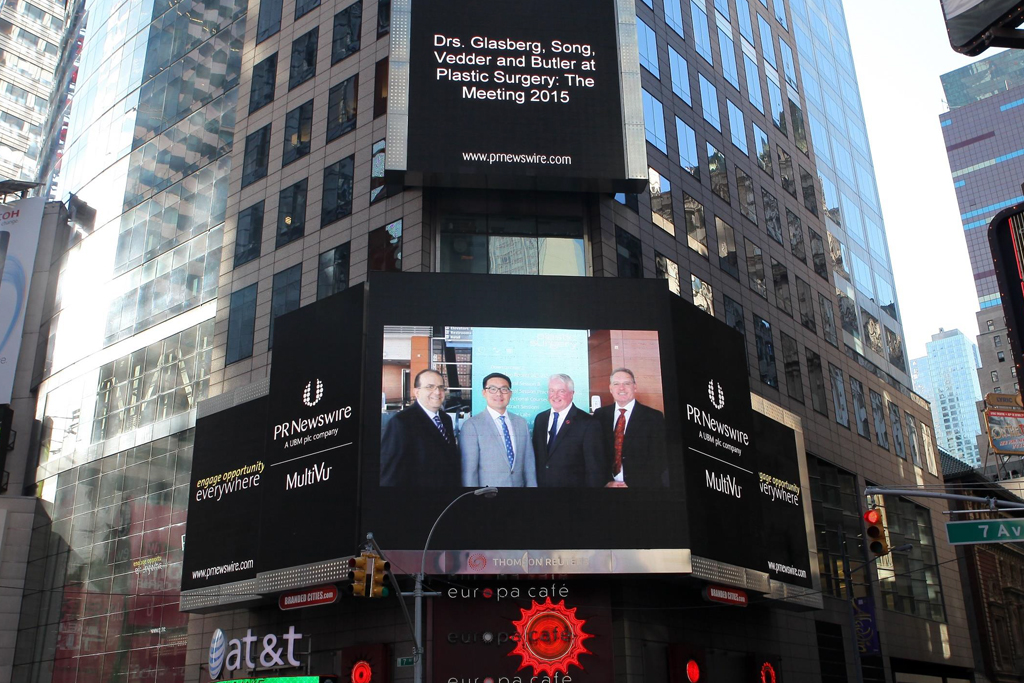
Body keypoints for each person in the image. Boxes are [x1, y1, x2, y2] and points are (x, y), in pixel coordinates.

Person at [380, 368, 461, 486]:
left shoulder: (445, 419)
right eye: (430, 387)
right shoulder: (401, 422)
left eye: (441, 387)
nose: (437, 392)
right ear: (416, 392)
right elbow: (390, 473)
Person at [593, 368, 668, 488]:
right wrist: (606, 482)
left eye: (627, 383)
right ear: (611, 389)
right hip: (607, 487)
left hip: (640, 490)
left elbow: (659, 459)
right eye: (616, 384)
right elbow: (595, 455)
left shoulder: (654, 417)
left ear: (635, 387)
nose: (621, 388)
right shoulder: (600, 415)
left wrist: (632, 485)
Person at [460, 373, 537, 487]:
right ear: (484, 393)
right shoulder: (472, 425)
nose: (499, 393)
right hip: (488, 495)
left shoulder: (521, 423)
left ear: (510, 393)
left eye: (504, 389)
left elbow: (529, 465)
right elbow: (469, 472)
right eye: (492, 389)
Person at [533, 373, 606, 487]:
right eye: (551, 390)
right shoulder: (540, 419)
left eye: (561, 391)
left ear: (572, 394)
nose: (555, 395)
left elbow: (594, 468)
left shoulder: (588, 423)